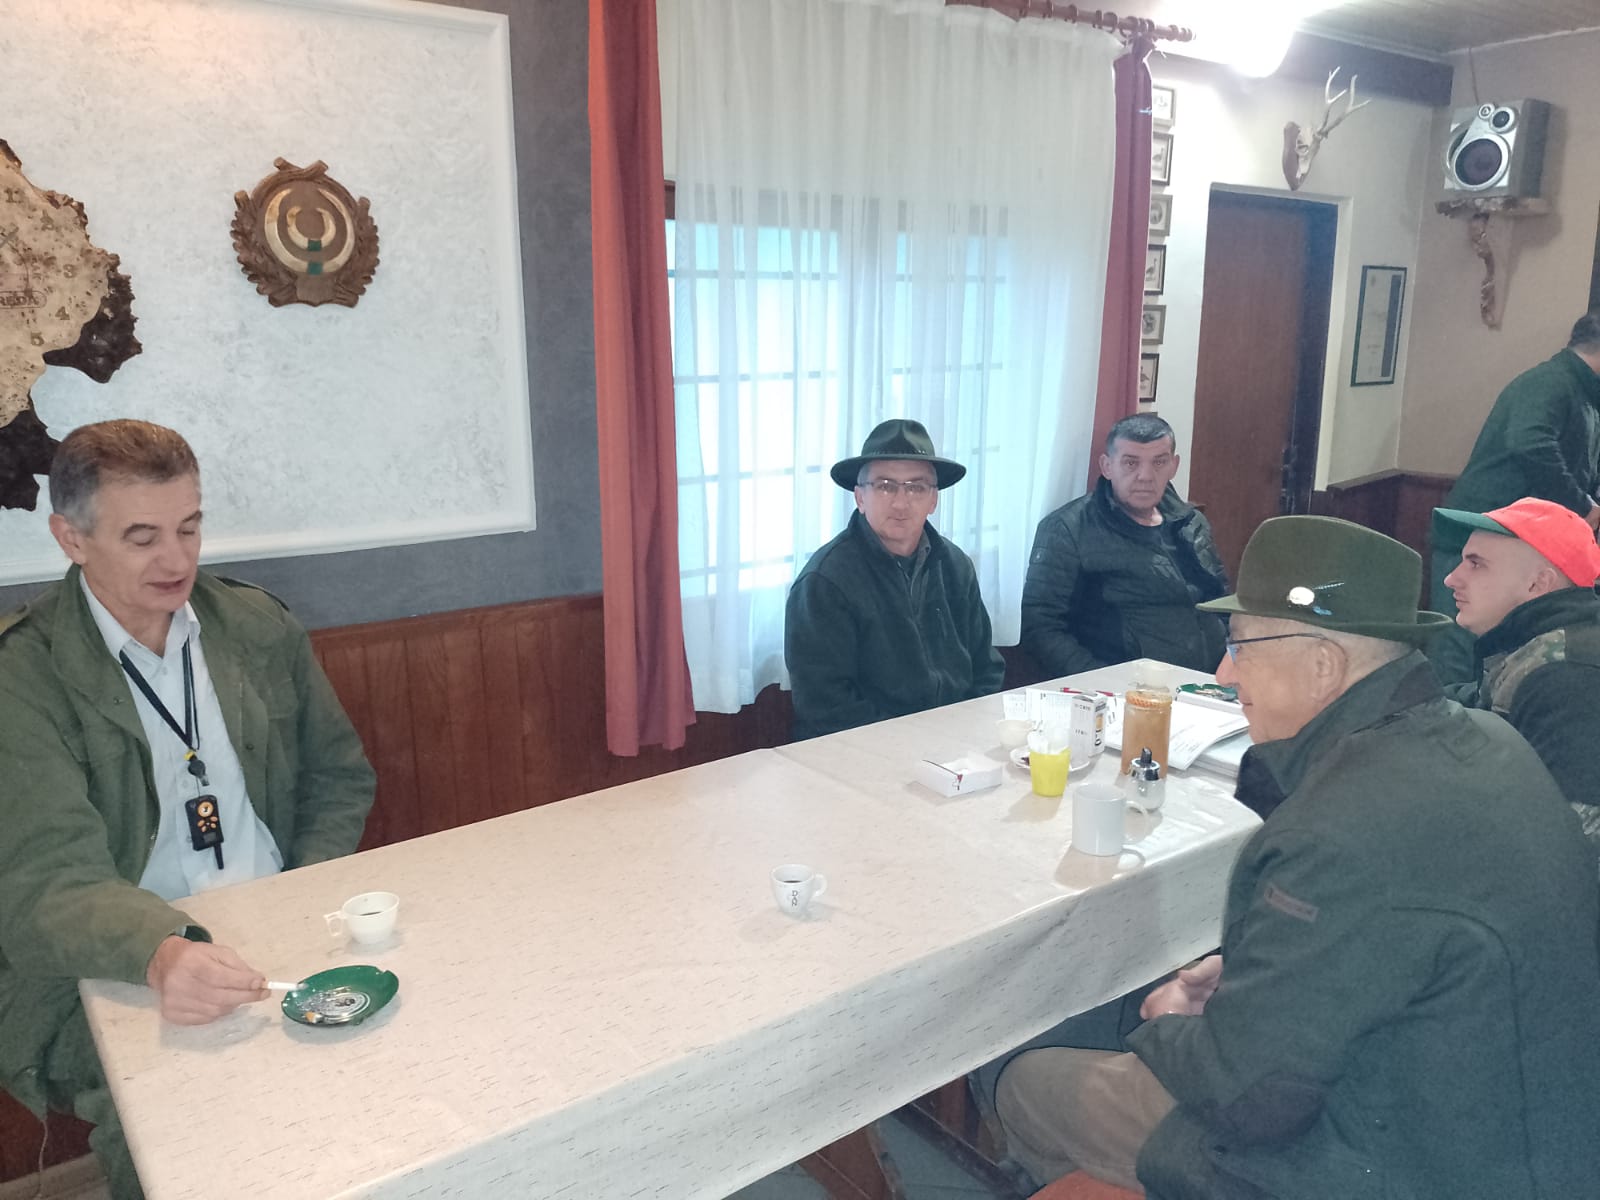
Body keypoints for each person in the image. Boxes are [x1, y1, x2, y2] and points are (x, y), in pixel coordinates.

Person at [995, 516, 1600, 1198]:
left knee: (1027, 1083)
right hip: (1524, 1125)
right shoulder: (1486, 738)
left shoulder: (1338, 828)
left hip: (1404, 1163)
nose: (1225, 673)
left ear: (1323, 666)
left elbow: (1244, 1096)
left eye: (1241, 646)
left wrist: (1166, 1022)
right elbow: (1404, 941)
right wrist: (1260, 974)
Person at [0, 420, 376, 1199]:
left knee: (381, 1088)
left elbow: (338, 778)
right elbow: (46, 881)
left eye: (190, 527)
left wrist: (304, 894)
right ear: (71, 538)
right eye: (142, 538)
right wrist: (161, 948)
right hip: (114, 959)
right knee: (179, 1135)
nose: (177, 561)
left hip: (280, 915)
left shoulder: (256, 626)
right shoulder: (23, 677)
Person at [785, 418, 1005, 739]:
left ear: (933, 500)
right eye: (885, 486)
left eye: (916, 487)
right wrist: (915, 742)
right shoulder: (825, 580)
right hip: (858, 750)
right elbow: (825, 706)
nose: (901, 503)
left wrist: (963, 732)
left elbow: (987, 669)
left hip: (954, 742)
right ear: (860, 498)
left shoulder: (955, 565)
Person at [1428, 311, 1600, 681]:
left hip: (1513, 545)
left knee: (1496, 652)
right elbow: (1530, 441)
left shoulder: (1581, 393)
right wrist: (1581, 505)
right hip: (1482, 537)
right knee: (1458, 645)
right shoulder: (1551, 381)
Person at [1436, 498, 1600, 867]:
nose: (1451, 578)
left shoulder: (1571, 677)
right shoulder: (1532, 646)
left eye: (1476, 564)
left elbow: (1573, 851)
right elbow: (1476, 702)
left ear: (1537, 583)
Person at [1021, 414, 1228, 677]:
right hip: (1124, 688)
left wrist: (1237, 660)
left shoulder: (1191, 522)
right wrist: (1103, 682)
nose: (1145, 476)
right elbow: (1040, 626)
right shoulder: (1068, 529)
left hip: (1213, 682)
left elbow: (1222, 600)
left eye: (1159, 462)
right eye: (1131, 463)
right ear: (1107, 466)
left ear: (1174, 466)